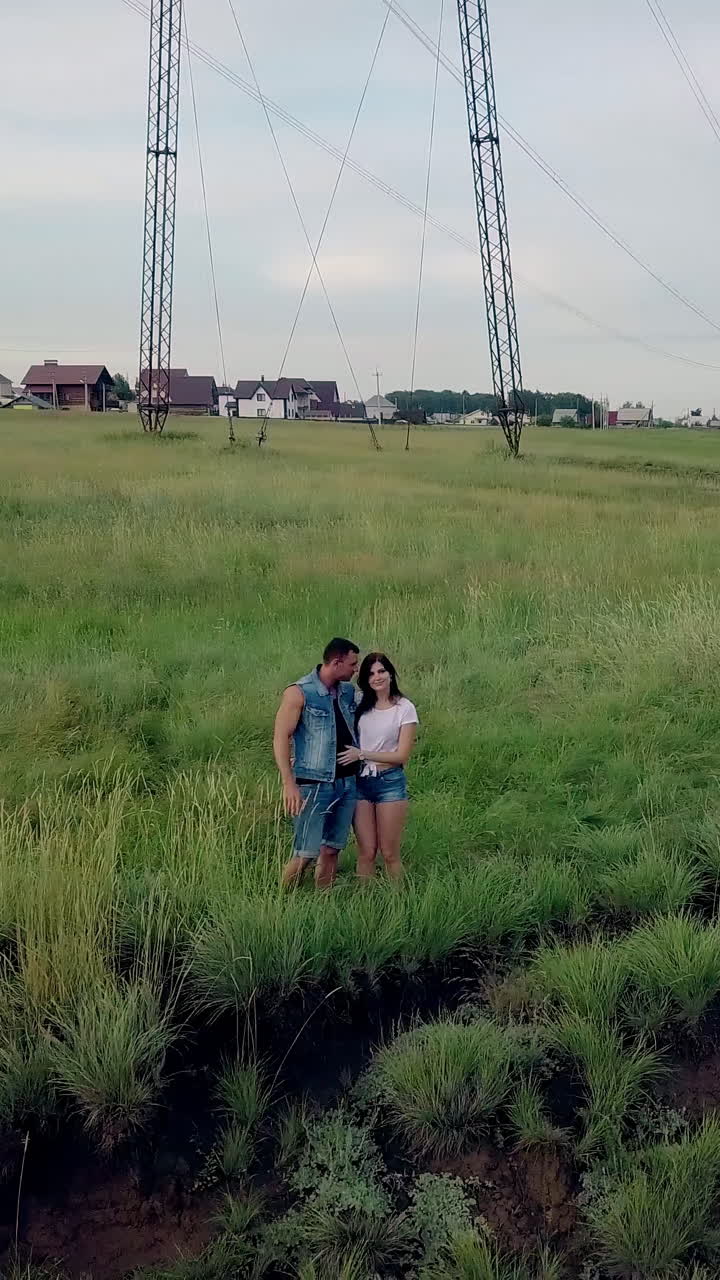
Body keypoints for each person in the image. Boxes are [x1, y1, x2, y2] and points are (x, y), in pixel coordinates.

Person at [274, 638, 361, 889]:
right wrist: (288, 782)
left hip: (346, 782)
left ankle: (324, 901)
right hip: (313, 784)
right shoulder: (299, 692)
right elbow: (281, 736)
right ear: (336, 662)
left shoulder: (346, 692)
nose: (355, 669)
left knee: (332, 849)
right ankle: (282, 902)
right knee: (305, 853)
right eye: (352, 664)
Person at [337, 652, 418, 881]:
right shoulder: (360, 704)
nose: (377, 677)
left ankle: (400, 903)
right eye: (371, 673)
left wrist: (362, 754)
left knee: (390, 852)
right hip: (361, 783)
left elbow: (402, 755)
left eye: (381, 671)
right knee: (366, 851)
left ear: (391, 674)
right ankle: (366, 903)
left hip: (389, 782)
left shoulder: (405, 708)